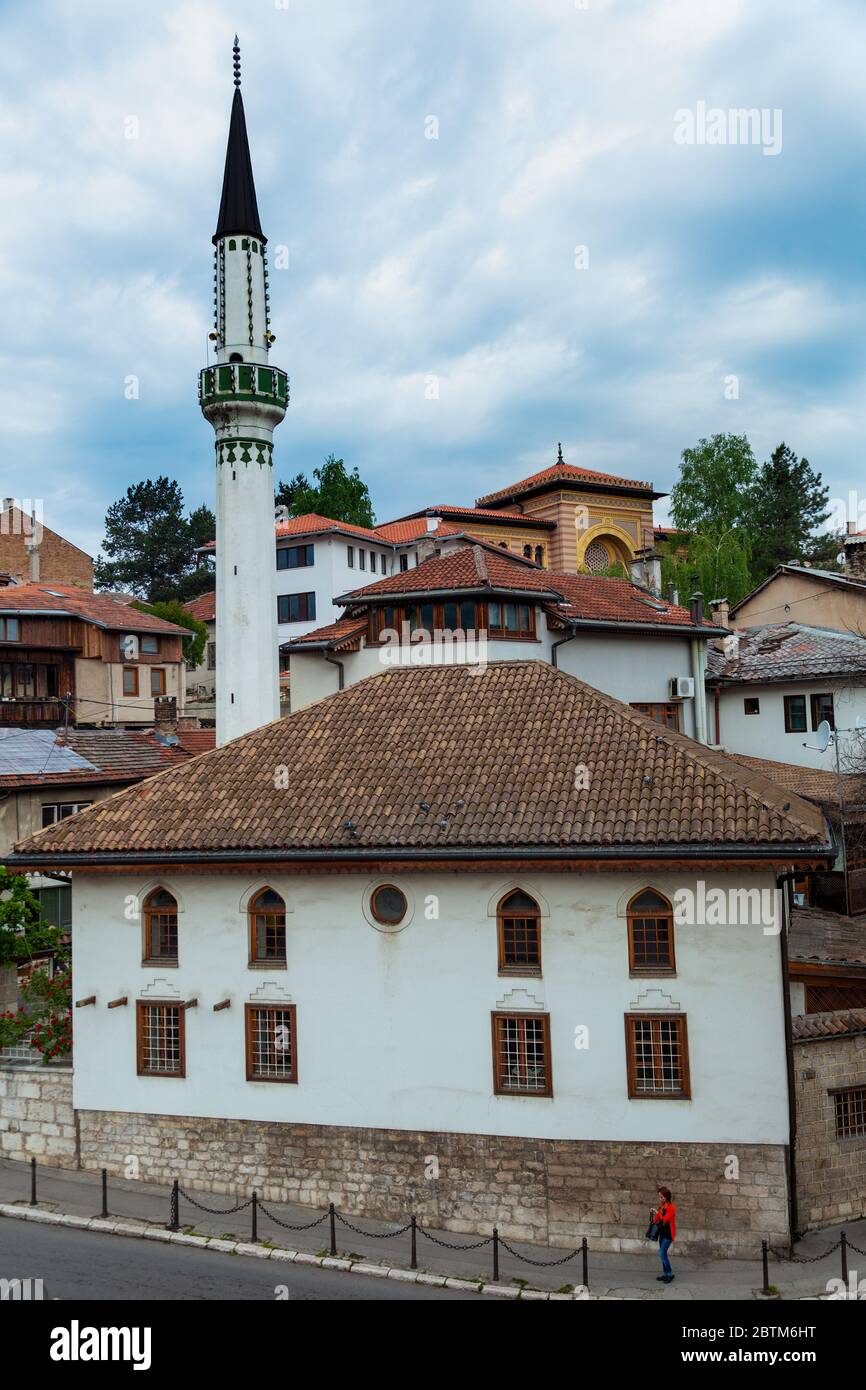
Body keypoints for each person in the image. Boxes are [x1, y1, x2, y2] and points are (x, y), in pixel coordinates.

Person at [653, 1186, 676, 1283]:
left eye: (661, 1197)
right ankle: (665, 1274)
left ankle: (670, 1274)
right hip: (662, 1234)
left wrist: (658, 1213)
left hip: (669, 1235)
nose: (660, 1199)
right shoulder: (662, 1206)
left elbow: (664, 1219)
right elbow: (656, 1220)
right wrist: (654, 1214)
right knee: (663, 1254)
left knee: (661, 1253)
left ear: (666, 1197)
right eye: (659, 1197)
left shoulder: (672, 1208)